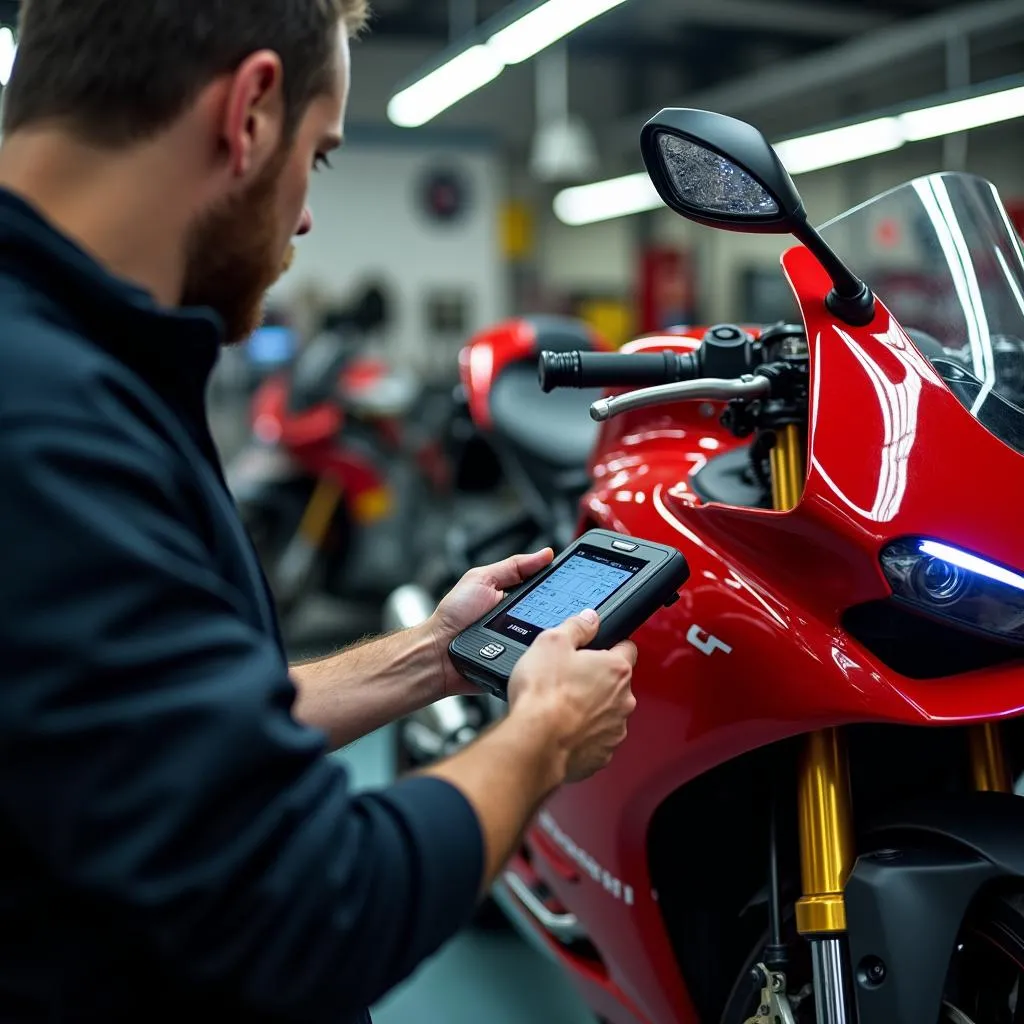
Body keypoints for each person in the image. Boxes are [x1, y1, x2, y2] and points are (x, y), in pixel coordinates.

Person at [0, 2, 639, 1023]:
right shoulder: (47, 419)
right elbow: (305, 907)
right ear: (250, 112)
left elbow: (175, 738)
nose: (303, 216)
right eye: (322, 156)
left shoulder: (74, 366)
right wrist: (545, 734)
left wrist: (434, 651)